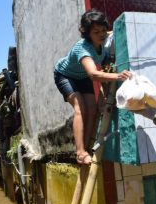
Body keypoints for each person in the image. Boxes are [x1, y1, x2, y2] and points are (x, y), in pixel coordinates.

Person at [54, 9, 131, 165]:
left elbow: (106, 67)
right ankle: (80, 152)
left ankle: (87, 147)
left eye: (103, 30)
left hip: (82, 77)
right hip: (65, 75)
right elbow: (94, 74)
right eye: (96, 32)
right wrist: (118, 76)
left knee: (92, 109)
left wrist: (108, 95)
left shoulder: (102, 44)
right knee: (80, 108)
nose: (101, 34)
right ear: (87, 33)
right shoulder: (83, 48)